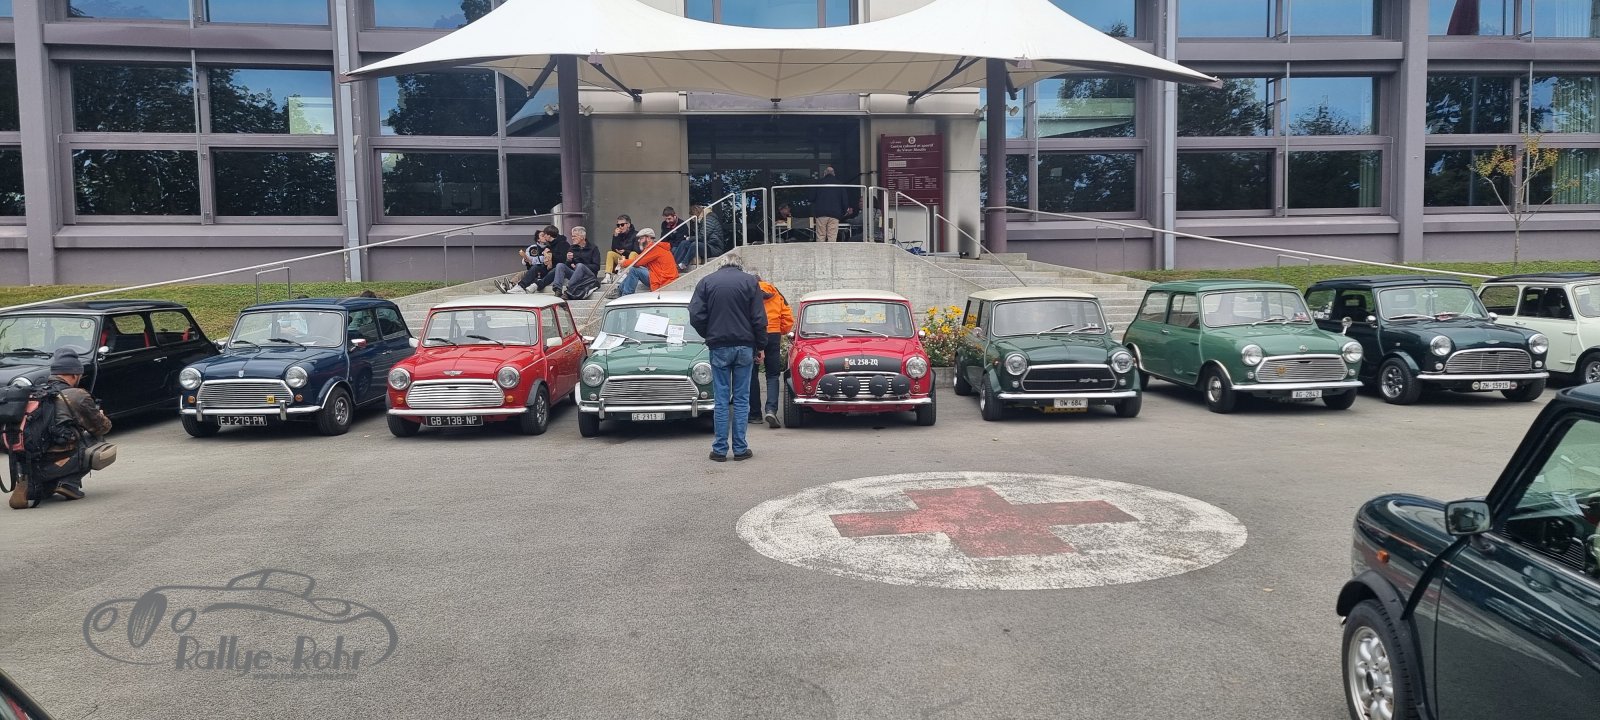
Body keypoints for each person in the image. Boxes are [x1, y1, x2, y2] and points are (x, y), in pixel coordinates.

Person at [8, 349, 112, 509]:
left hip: (26, 461)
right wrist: (100, 416)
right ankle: (68, 482)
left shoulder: (33, 394)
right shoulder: (76, 395)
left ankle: (33, 484)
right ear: (74, 375)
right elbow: (102, 428)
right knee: (98, 441)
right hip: (55, 461)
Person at [689, 253, 767, 462]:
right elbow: (759, 318)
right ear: (740, 266)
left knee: (721, 399)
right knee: (741, 399)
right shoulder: (750, 282)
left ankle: (719, 449)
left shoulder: (706, 282)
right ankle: (740, 449)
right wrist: (761, 346)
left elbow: (695, 315)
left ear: (721, 265)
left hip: (719, 346)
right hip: (744, 346)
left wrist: (709, 333)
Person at [747, 271, 793, 428]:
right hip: (773, 334)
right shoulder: (776, 292)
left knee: (751, 374)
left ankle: (755, 415)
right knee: (773, 374)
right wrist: (780, 330)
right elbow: (788, 318)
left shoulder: (747, 291)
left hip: (753, 334)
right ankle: (771, 410)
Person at [613, 228, 679, 297]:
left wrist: (624, 262)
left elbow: (637, 261)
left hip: (663, 281)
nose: (638, 241)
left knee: (634, 270)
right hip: (662, 278)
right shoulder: (656, 247)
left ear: (648, 238)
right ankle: (619, 291)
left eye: (641, 238)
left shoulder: (653, 249)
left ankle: (626, 296)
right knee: (635, 270)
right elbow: (641, 262)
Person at [546, 227, 600, 297]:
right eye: (572, 236)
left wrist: (580, 267)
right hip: (576, 276)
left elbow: (596, 267)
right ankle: (558, 290)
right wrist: (568, 260)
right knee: (560, 265)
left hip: (588, 277)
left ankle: (569, 289)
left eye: (574, 236)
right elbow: (567, 266)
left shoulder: (593, 248)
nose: (572, 238)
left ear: (582, 237)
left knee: (580, 265)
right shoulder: (572, 248)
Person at [810, 166, 856, 243]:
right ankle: (831, 250)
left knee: (821, 235)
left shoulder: (818, 183)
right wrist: (844, 212)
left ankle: (820, 250)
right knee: (832, 236)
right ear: (834, 174)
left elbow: (811, 198)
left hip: (821, 213)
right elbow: (844, 200)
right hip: (835, 214)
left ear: (824, 174)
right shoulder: (839, 184)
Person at [603, 215, 639, 283]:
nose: (620, 227)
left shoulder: (636, 234)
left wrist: (625, 252)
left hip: (632, 259)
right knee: (610, 253)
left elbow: (637, 251)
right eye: (618, 225)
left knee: (633, 253)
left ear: (628, 225)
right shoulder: (619, 234)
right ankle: (608, 276)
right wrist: (615, 236)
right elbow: (614, 249)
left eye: (622, 225)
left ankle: (626, 274)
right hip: (622, 259)